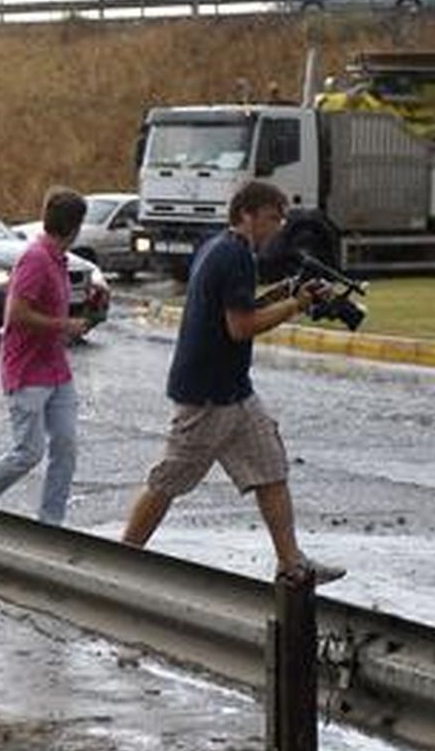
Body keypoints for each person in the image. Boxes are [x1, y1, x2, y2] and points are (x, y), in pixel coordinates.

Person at [121, 179, 344, 585]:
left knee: (271, 469)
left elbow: (237, 306)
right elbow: (240, 326)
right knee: (168, 480)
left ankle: (292, 564)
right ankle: (119, 560)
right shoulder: (234, 256)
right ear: (247, 214)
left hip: (234, 391)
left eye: (281, 218)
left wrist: (285, 291)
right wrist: (298, 304)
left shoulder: (220, 246)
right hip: (208, 394)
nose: (278, 226)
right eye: (272, 217)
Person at [0, 186, 90, 525]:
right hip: (27, 370)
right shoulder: (36, 259)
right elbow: (16, 314)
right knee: (29, 451)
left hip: (57, 370)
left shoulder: (59, 259)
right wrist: (64, 325)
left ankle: (51, 522)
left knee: (65, 446)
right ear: (74, 227)